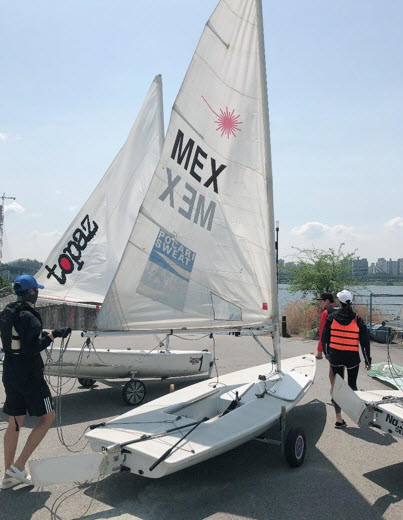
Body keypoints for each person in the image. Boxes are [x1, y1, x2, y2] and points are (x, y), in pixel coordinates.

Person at [0, 274, 71, 489]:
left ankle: (7, 475)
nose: (37, 293)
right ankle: (19, 467)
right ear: (32, 292)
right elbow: (32, 349)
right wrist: (52, 336)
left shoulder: (6, 312)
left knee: (15, 421)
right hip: (29, 375)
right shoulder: (30, 317)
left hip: (10, 370)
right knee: (48, 417)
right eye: (36, 290)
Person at [322, 289, 371, 429]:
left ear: (339, 302)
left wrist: (326, 353)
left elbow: (325, 337)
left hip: (336, 355)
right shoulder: (357, 319)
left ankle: (339, 419)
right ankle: (357, 416)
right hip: (352, 357)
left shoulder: (331, 317)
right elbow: (365, 342)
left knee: (338, 387)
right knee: (352, 386)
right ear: (351, 302)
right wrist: (368, 360)